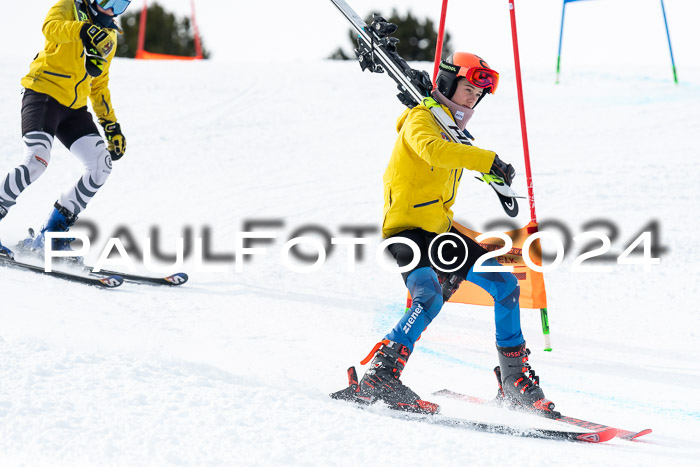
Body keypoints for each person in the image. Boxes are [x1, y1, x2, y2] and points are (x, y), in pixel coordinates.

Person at [332, 52, 556, 416]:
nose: (472, 97)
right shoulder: (421, 120)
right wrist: (485, 159)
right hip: (406, 232)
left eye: (477, 93)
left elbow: (456, 152)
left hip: (439, 234)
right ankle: (381, 375)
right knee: (428, 296)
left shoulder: (453, 130)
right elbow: (434, 152)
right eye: (468, 88)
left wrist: (494, 174)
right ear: (449, 84)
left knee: (505, 285)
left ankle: (514, 378)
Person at [0, 0, 131, 259]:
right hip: (43, 93)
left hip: (74, 108)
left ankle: (52, 236)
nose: (111, 11)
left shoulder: (109, 37)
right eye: (109, 1)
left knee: (101, 165)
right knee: (37, 160)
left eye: (121, 5)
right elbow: (51, 28)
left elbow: (99, 85)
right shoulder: (68, 6)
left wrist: (111, 125)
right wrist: (83, 30)